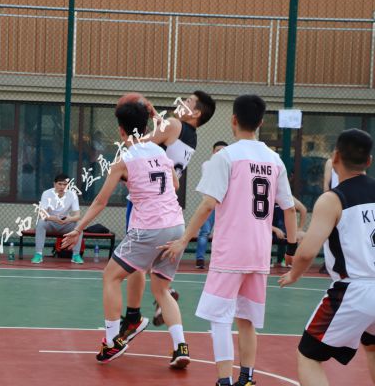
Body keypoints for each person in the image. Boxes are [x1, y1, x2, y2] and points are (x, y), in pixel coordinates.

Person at [159, 95, 297, 386]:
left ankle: (224, 381)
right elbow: (288, 208)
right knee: (247, 320)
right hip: (259, 254)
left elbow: (208, 204)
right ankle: (247, 378)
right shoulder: (275, 160)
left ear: (233, 119)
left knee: (220, 320)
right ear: (261, 123)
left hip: (230, 253)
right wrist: (291, 249)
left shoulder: (226, 157)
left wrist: (184, 240)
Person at [62, 93, 190, 368]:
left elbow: (100, 201)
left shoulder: (124, 161)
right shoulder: (160, 152)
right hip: (176, 227)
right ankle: (180, 346)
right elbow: (176, 186)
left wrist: (78, 229)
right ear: (145, 127)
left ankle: (112, 342)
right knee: (161, 289)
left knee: (111, 276)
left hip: (150, 229)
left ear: (121, 131)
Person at [279, 129, 375, 386]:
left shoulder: (332, 199)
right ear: (369, 161)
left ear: (335, 158)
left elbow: (308, 252)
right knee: (372, 346)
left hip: (355, 290)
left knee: (309, 355)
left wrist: (294, 274)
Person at [120, 90, 216, 342]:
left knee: (134, 264)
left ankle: (132, 317)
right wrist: (154, 115)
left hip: (145, 203)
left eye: (188, 101)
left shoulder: (173, 125)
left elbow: (138, 146)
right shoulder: (190, 136)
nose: (181, 102)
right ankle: (164, 295)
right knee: (151, 266)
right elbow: (166, 141)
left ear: (196, 112)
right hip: (168, 208)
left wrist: (127, 126)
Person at [32, 174, 83, 264]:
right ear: (54, 184)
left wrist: (69, 219)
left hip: (65, 224)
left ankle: (76, 255)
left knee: (79, 225)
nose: (62, 187)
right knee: (41, 222)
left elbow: (78, 216)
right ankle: (38, 254)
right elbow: (42, 214)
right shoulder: (46, 193)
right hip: (51, 223)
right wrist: (54, 219)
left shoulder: (72, 195)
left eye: (65, 184)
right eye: (60, 184)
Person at [194, 141, 228, 269]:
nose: (220, 153)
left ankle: (220, 260)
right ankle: (200, 259)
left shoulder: (230, 165)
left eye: (223, 151)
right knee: (205, 232)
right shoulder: (207, 164)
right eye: (218, 150)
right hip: (210, 203)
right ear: (213, 152)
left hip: (224, 205)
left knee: (223, 233)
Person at [272, 196, 307, 267]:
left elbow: (303, 209)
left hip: (287, 234)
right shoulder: (267, 197)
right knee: (259, 235)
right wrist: (275, 229)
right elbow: (260, 222)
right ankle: (266, 259)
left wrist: (300, 228)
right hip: (270, 233)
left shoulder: (287, 196)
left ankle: (289, 258)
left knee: (302, 236)